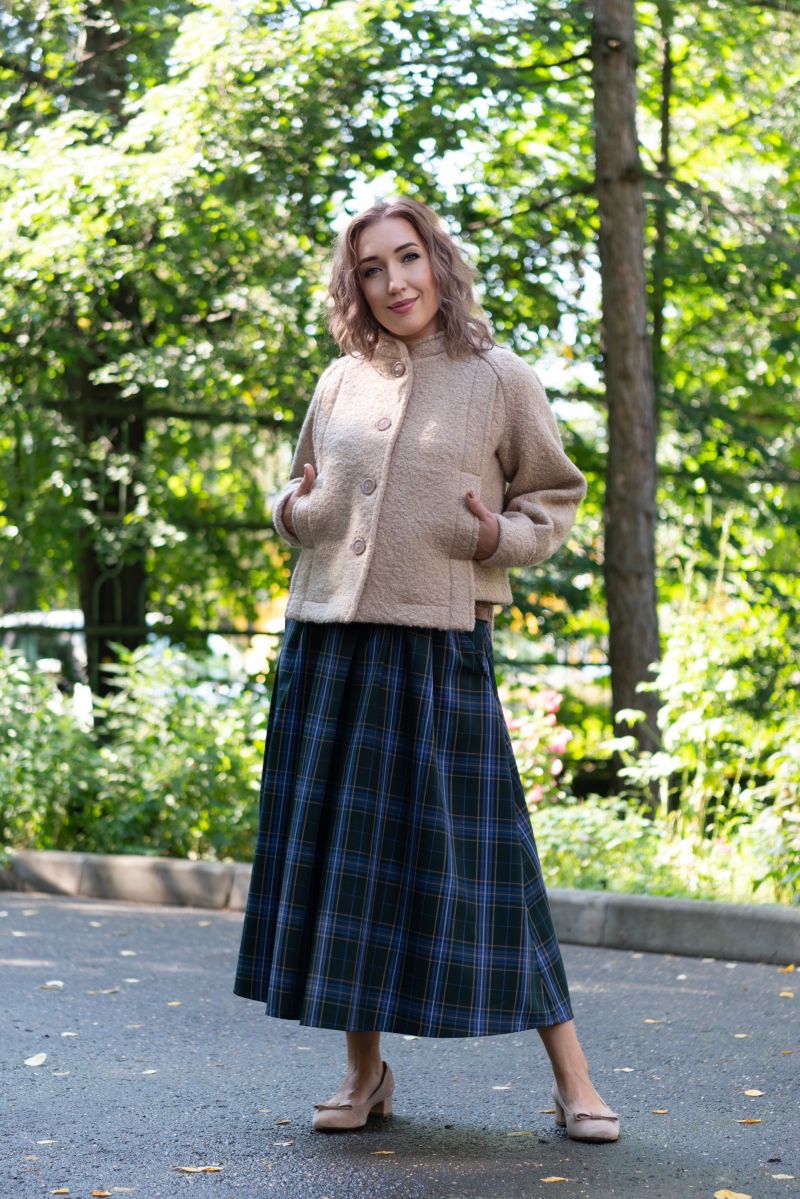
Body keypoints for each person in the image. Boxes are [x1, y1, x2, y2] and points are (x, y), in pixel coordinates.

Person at [233, 196, 619, 1143]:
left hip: (440, 644)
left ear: (437, 262)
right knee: (348, 871)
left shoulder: (499, 378)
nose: (394, 281)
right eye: (372, 268)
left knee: (493, 865)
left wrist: (495, 537)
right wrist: (291, 512)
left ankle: (574, 1078)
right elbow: (300, 486)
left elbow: (556, 495)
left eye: (407, 258)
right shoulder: (339, 381)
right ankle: (363, 1072)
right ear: (355, 284)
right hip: (330, 641)